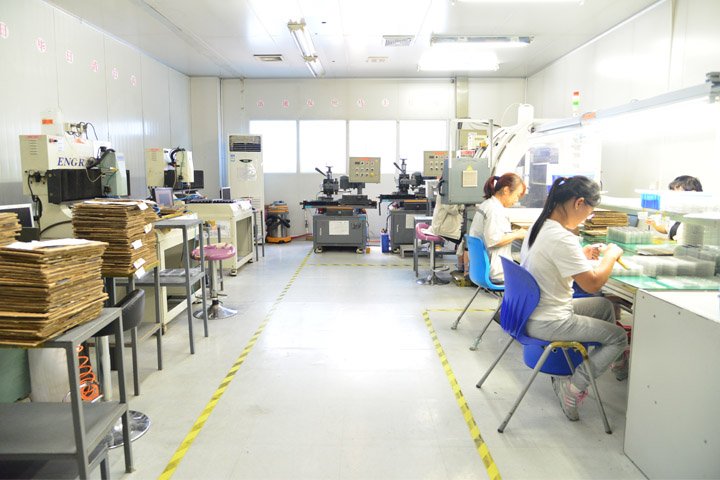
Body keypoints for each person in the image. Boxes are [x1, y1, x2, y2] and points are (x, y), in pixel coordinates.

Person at [520, 175, 628, 422]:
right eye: (589, 212)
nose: (587, 218)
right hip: (549, 321)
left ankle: (612, 362)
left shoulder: (541, 226)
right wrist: (610, 256)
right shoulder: (561, 237)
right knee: (618, 338)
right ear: (579, 203)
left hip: (533, 311)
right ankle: (574, 387)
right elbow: (592, 284)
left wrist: (580, 254)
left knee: (604, 307)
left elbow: (551, 258)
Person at [469, 173, 527, 283]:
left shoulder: (487, 204)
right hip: (498, 272)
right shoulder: (495, 210)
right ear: (506, 190)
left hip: (481, 268)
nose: (516, 200)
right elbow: (494, 240)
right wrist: (517, 234)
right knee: (534, 271)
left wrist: (513, 233)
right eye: (517, 195)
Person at [648, 175, 703, 240]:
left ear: (692, 193)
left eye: (677, 192)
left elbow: (686, 240)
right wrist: (654, 223)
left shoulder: (696, 217)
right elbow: (667, 230)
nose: (673, 196)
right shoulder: (678, 212)